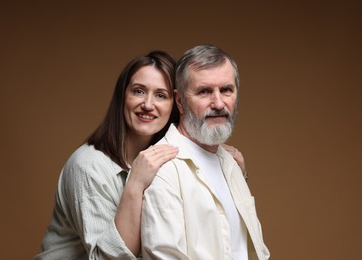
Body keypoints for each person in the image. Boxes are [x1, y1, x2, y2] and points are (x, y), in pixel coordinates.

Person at [35, 50, 248, 259]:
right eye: (138, 91)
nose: (148, 105)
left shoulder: (167, 161)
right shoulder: (88, 166)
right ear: (122, 96)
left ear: (177, 103)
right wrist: (135, 185)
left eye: (160, 95)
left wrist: (225, 170)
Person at [141, 45, 270, 259]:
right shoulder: (163, 169)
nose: (219, 103)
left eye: (226, 90)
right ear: (180, 101)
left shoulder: (232, 163)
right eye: (204, 91)